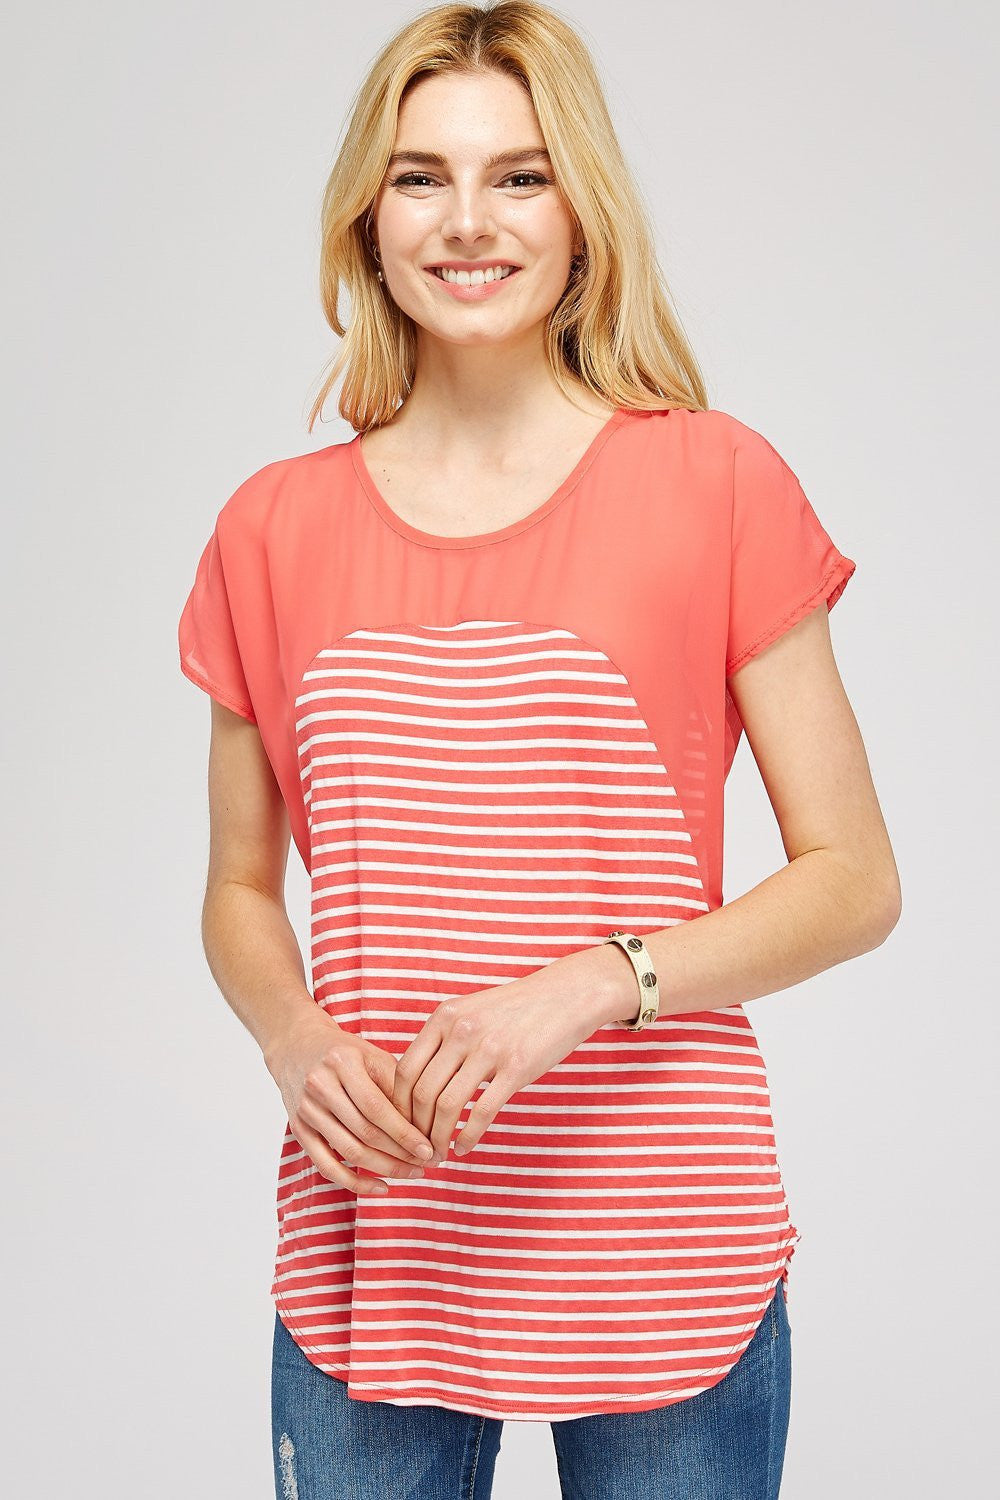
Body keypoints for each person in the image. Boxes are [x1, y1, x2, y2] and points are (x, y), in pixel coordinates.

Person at [177, 4, 901, 1496]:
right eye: (421, 177)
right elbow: (241, 888)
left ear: (583, 212)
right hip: (377, 1228)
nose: (468, 221)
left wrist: (590, 983)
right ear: (367, 217)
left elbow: (854, 879)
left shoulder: (715, 482)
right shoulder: (269, 530)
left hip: (662, 1228)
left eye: (520, 175)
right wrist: (293, 1038)